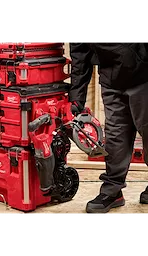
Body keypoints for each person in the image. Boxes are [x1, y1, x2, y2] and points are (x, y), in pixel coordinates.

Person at [69, 40, 148, 215]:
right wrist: (77, 95)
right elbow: (80, 52)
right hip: (111, 75)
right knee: (115, 133)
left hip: (144, 72)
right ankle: (112, 191)